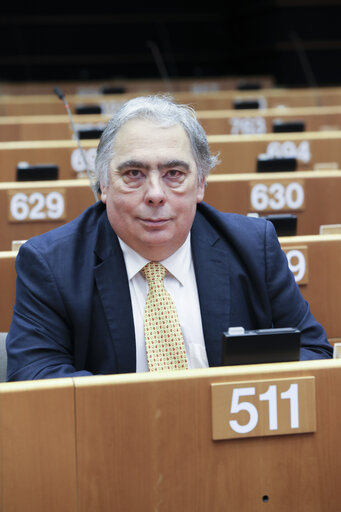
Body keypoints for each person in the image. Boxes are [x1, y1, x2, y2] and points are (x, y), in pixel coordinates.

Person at [6, 95, 333, 381]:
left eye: (174, 174)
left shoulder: (253, 246)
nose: (155, 194)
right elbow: (36, 377)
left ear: (201, 184)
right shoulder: (50, 264)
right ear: (104, 184)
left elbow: (313, 352)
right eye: (133, 174)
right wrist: (159, 415)